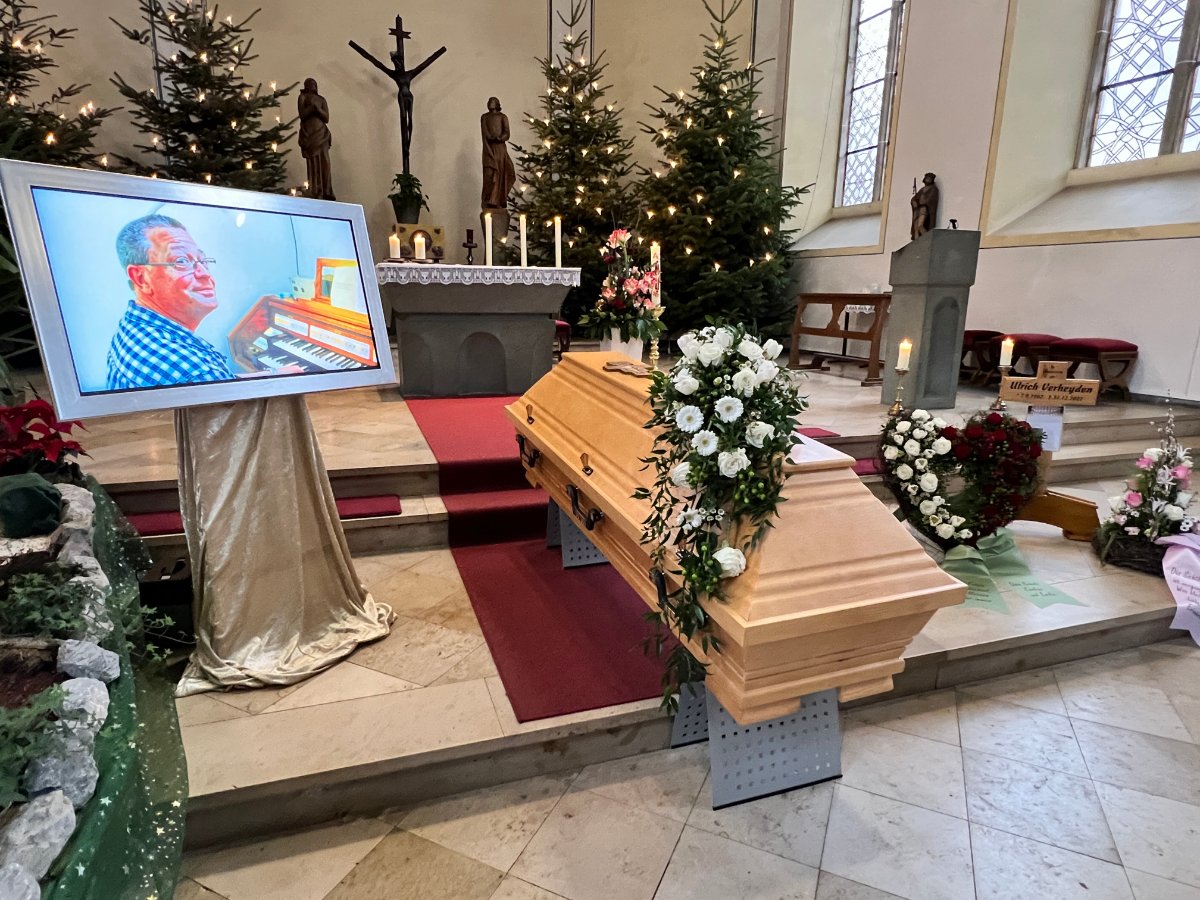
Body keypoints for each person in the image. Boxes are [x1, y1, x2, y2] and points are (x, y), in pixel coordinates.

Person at [106, 214, 237, 390]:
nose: (205, 274)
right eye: (181, 261)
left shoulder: (132, 326)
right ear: (141, 278)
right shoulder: (198, 373)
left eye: (202, 260)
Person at [298, 78, 335, 200]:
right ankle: (316, 190)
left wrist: (318, 109)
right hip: (310, 135)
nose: (313, 85)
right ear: (306, 86)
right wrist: (311, 108)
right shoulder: (303, 97)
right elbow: (302, 115)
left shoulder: (322, 99)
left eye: (314, 84)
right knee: (313, 162)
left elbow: (326, 118)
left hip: (322, 134)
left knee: (325, 163)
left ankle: (327, 190)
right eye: (310, 84)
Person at [481, 96, 516, 210]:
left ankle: (498, 200)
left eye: (492, 101)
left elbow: (507, 133)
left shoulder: (502, 117)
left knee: (501, 173)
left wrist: (500, 138)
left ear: (497, 104)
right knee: (490, 174)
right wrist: (490, 138)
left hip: (500, 149)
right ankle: (488, 199)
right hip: (489, 148)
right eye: (489, 101)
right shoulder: (485, 117)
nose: (489, 103)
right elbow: (485, 132)